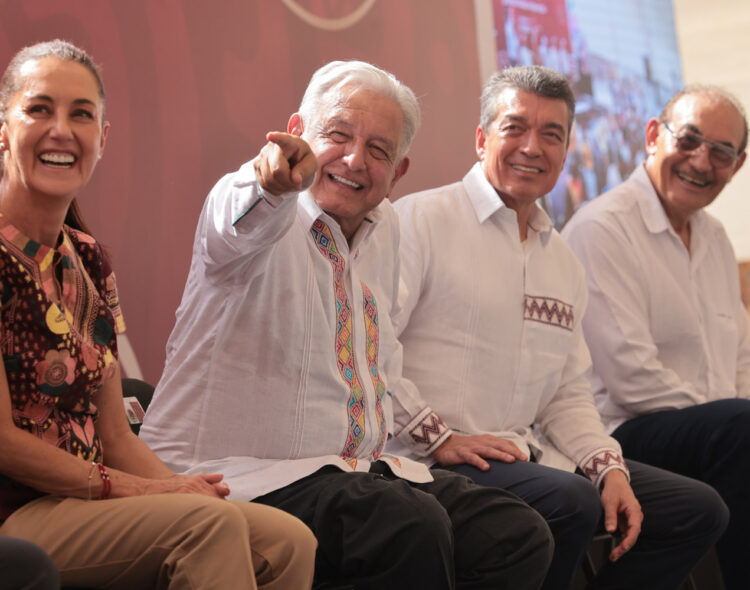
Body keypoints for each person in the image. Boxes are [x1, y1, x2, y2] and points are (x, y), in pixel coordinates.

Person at [140, 60, 554, 590]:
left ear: (398, 172)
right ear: (296, 135)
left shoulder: (387, 229)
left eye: (379, 150)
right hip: (239, 475)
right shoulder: (260, 211)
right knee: (404, 525)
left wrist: (437, 436)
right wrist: (268, 182)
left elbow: (383, 368)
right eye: (336, 135)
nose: (355, 159)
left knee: (516, 534)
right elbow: (235, 221)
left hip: (354, 473)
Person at [392, 66, 728, 590]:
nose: (533, 147)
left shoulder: (563, 263)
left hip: (523, 454)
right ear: (482, 139)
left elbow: (568, 393)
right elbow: (372, 353)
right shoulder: (417, 222)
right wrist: (438, 436)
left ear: (566, 151)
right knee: (568, 501)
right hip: (422, 456)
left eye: (552, 135)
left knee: (696, 509)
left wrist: (607, 468)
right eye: (515, 128)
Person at [0, 39, 316, 590]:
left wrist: (190, 487)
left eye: (81, 114)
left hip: (87, 497)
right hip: (17, 510)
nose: (60, 130)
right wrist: (151, 494)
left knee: (287, 539)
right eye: (38, 108)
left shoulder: (89, 259)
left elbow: (116, 436)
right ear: (4, 128)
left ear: (102, 138)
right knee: (205, 528)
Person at [563, 84, 750, 590]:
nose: (700, 160)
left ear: (738, 165)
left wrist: (730, 420)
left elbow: (742, 357)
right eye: (688, 139)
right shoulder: (602, 228)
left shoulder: (714, 237)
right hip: (625, 435)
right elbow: (632, 380)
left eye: (722, 152)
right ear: (652, 136)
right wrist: (727, 422)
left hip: (718, 430)